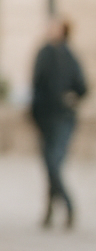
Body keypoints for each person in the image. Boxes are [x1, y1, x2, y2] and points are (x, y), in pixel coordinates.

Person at [30, 16, 88, 228]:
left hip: (64, 117)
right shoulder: (43, 53)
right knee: (49, 164)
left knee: (54, 163)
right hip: (45, 117)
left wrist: (72, 97)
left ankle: (67, 205)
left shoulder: (70, 56)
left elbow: (83, 86)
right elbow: (36, 85)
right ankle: (50, 209)